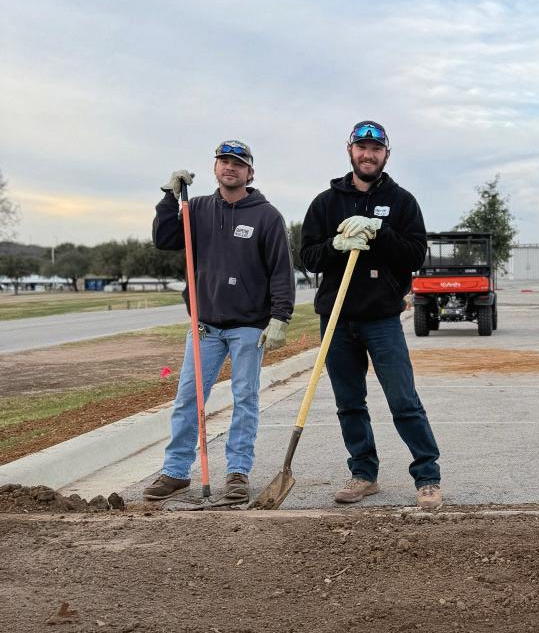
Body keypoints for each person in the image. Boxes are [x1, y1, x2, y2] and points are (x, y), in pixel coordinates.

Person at [300, 121, 443, 511]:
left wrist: (380, 231)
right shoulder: (325, 203)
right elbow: (308, 257)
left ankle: (427, 477)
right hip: (336, 319)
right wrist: (335, 244)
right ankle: (364, 474)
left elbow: (415, 255)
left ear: (386, 155)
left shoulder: (402, 202)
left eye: (376, 149)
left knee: (404, 400)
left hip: (381, 319)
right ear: (350, 151)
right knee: (349, 403)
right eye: (362, 147)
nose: (368, 154)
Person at [143, 139, 295, 505]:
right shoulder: (196, 208)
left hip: (248, 326)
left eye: (238, 164)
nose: (230, 167)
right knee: (188, 398)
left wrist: (280, 317)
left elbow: (281, 270)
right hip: (205, 325)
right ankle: (176, 472)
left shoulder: (267, 216)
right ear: (215, 168)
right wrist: (169, 198)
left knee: (245, 399)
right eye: (224, 161)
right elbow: (164, 239)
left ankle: (237, 473)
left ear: (250, 173)